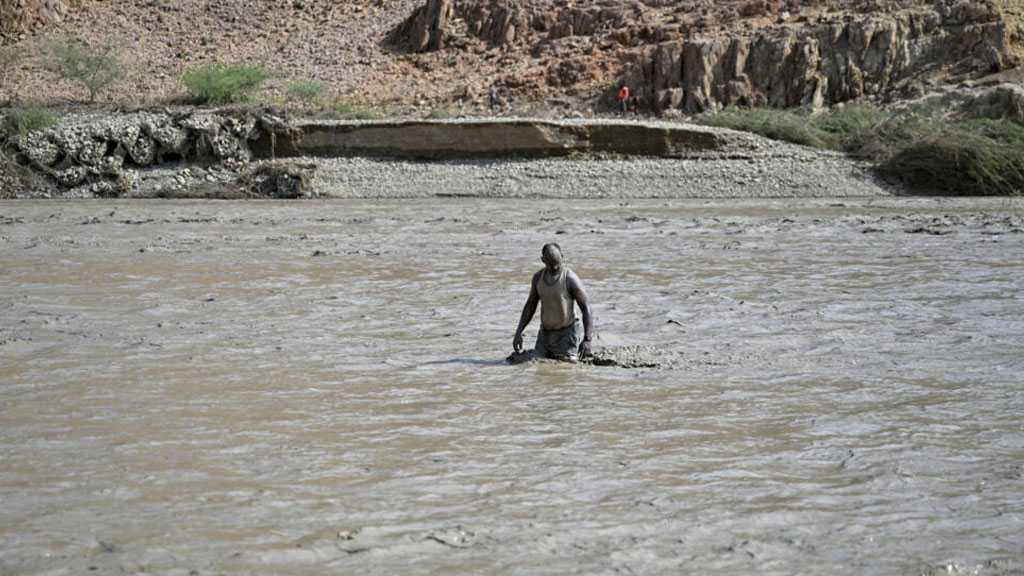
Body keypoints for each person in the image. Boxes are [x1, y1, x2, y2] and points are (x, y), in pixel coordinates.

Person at [513, 243, 593, 362]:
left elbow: (586, 308)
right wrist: (519, 332)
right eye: (551, 265)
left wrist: (587, 340)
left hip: (567, 333)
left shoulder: (570, 278)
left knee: (567, 366)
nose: (555, 268)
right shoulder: (538, 278)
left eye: (558, 264)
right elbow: (530, 306)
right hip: (545, 334)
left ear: (562, 256)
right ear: (543, 261)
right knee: (535, 364)